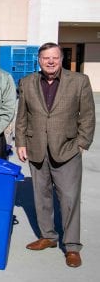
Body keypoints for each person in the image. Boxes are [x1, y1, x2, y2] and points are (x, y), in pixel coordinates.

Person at [15, 42, 95, 268]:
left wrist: (81, 143)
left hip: (67, 149)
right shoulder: (28, 82)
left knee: (69, 199)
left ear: (61, 59)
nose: (50, 62)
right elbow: (22, 116)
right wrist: (21, 142)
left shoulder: (79, 81)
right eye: (45, 58)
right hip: (37, 147)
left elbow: (87, 115)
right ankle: (48, 236)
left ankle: (71, 246)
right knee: (41, 197)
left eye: (55, 58)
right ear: (38, 61)